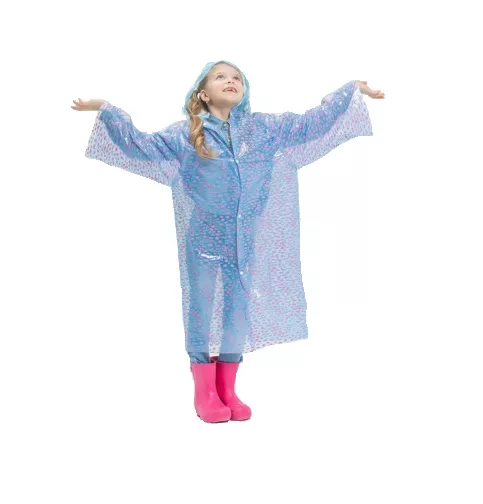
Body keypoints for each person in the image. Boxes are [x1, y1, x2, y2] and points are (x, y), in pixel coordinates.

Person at [72, 60, 385, 423]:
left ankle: (228, 388)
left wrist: (350, 90)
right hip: (203, 238)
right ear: (203, 94)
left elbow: (312, 122)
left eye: (237, 77)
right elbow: (140, 145)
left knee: (237, 313)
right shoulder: (187, 135)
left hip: (244, 240)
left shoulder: (263, 130)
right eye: (220, 76)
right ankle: (204, 390)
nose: (231, 80)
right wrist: (108, 111)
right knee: (202, 309)